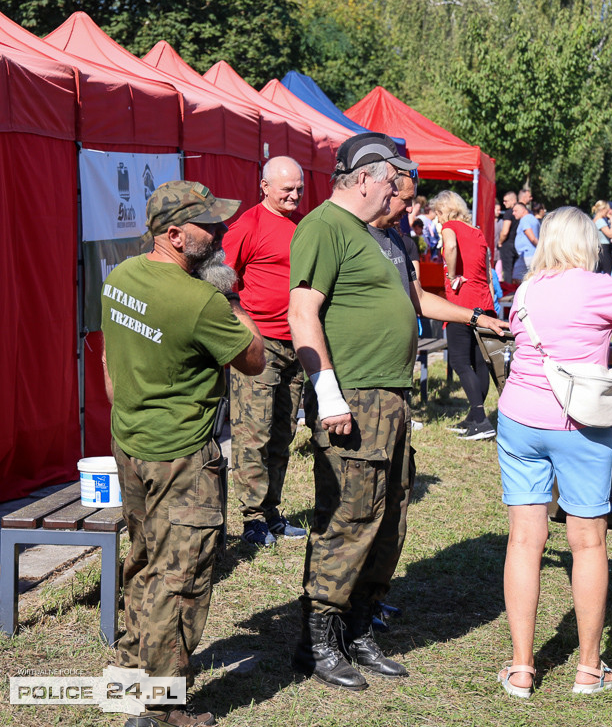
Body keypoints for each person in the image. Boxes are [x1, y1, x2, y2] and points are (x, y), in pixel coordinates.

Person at [288, 133, 507, 692]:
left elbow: (412, 302)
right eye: (393, 184)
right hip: (354, 397)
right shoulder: (324, 227)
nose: (401, 198)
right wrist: (329, 394)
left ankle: (359, 630)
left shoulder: (379, 237)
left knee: (390, 516)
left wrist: (475, 318)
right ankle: (320, 640)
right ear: (365, 178)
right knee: (349, 517)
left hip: (390, 399)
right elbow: (303, 313)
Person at [101, 181, 266, 727]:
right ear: (174, 235)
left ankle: (129, 671)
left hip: (131, 444)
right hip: (182, 460)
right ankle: (162, 709)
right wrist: (228, 298)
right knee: (183, 579)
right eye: (208, 225)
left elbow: (108, 368)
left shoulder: (120, 278)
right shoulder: (199, 301)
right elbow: (255, 361)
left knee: (144, 561)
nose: (220, 233)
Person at [494, 206, 612, 699]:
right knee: (588, 543)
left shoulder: (527, 289)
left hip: (520, 419)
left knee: (524, 542)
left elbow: (545, 347)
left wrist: (607, 352)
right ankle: (589, 669)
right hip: (577, 423)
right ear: (588, 244)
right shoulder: (597, 287)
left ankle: (522, 669)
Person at [221, 156, 308, 547]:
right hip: (259, 344)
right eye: (287, 188)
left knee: (282, 431)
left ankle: (271, 511)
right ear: (265, 187)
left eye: (299, 188)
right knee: (251, 432)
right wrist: (242, 324)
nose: (294, 194)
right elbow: (221, 279)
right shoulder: (248, 225)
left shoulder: (304, 225)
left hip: (298, 342)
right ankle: (252, 518)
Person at [438, 190, 498, 440]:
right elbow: (488, 269)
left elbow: (450, 245)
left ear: (445, 210)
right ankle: (475, 418)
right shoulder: (477, 231)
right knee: (479, 361)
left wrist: (452, 276)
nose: (438, 219)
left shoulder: (450, 227)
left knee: (460, 361)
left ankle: (480, 418)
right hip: (483, 301)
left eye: (438, 213)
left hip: (461, 303)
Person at [511, 202, 540, 281]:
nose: (513, 213)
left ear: (523, 210)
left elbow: (532, 238)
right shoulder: (533, 219)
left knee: (517, 278)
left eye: (515, 211)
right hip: (531, 254)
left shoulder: (524, 220)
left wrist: (541, 248)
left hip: (527, 255)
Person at [497, 191, 519, 285]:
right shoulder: (521, 213)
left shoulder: (509, 213)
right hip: (517, 244)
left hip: (508, 245)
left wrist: (500, 242)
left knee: (507, 270)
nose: (504, 203)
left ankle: (508, 290)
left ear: (513, 200)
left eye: (506, 201)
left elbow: (505, 231)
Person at [591, 200, 612, 274]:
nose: (607, 213)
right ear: (602, 210)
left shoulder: (594, 219)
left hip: (597, 248)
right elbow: (610, 234)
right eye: (606, 211)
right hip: (604, 248)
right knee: (607, 271)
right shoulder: (600, 221)